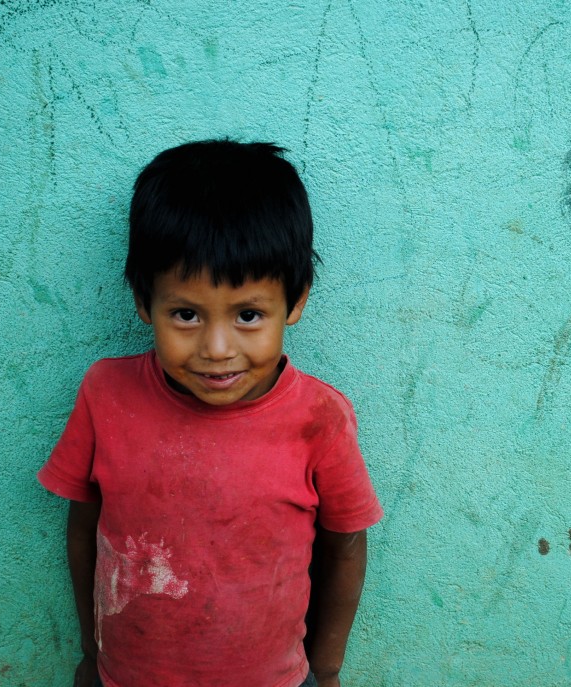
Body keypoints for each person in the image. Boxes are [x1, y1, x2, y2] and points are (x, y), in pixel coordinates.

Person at [38, 140, 383, 687]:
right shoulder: (106, 395)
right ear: (143, 300)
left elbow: (344, 546)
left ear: (295, 302)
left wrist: (327, 668)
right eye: (185, 314)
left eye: (248, 314)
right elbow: (84, 529)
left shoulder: (321, 418)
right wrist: (91, 651)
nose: (217, 347)